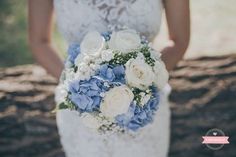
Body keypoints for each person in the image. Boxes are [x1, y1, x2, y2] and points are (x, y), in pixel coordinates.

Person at [28, 0, 190, 157]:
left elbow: (179, 41)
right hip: (82, 110)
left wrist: (145, 79)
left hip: (143, 106)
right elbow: (40, 42)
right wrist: (79, 84)